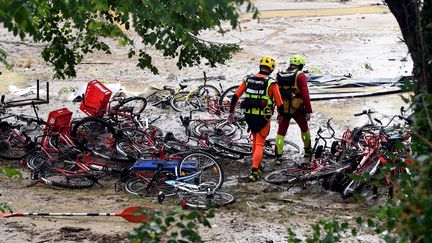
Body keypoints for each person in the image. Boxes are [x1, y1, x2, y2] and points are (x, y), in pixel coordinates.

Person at [227, 56, 283, 181]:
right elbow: (279, 103)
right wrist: (281, 115)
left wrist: (231, 113)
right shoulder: (271, 82)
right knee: (259, 144)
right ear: (271, 69)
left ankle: (256, 165)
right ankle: (254, 171)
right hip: (263, 117)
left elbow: (236, 96)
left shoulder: (247, 79)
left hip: (249, 116)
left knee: (254, 141)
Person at [274, 55, 312, 165]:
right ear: (300, 65)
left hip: (283, 108)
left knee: (281, 132)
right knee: (304, 129)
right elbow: (305, 94)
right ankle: (308, 151)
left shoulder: (280, 75)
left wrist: (278, 111)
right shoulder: (300, 76)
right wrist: (308, 110)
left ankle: (278, 157)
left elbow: (276, 94)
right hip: (298, 109)